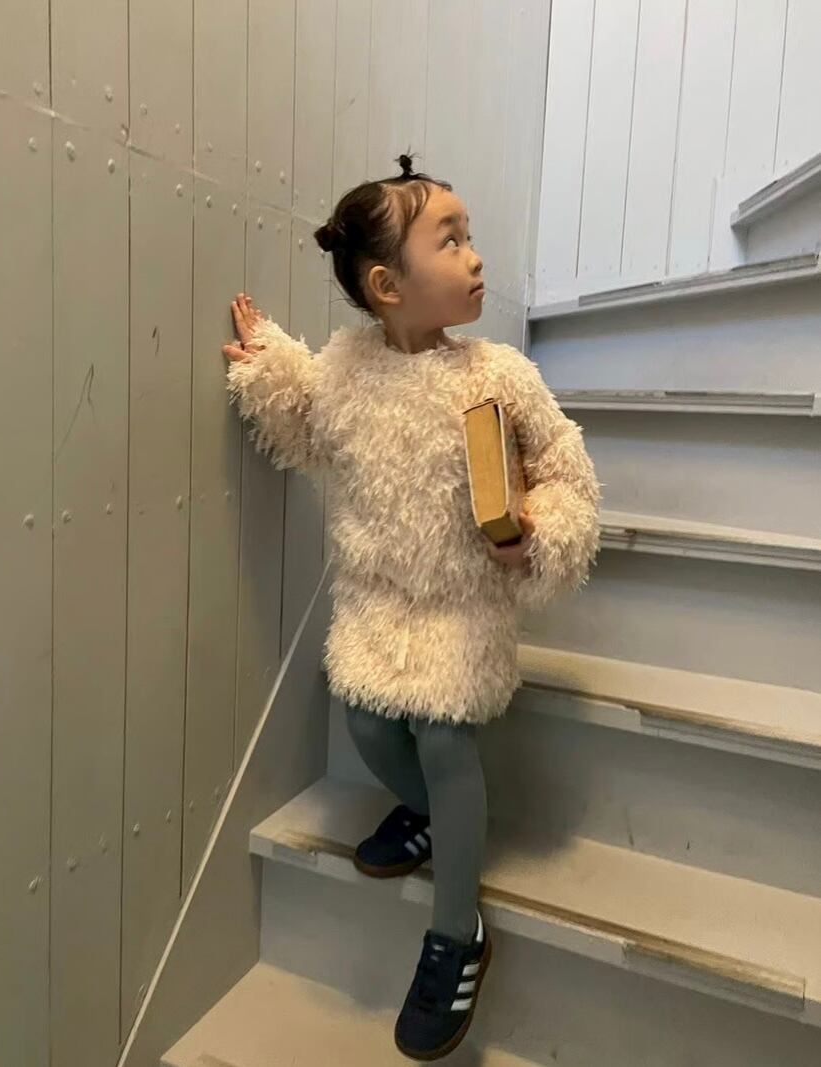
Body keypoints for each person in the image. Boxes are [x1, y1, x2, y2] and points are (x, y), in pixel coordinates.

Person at [222, 152, 600, 1061]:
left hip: (464, 605)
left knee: (441, 734)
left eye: (471, 237)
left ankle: (456, 932)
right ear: (388, 286)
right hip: (377, 601)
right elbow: (307, 418)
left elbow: (570, 477)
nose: (476, 256)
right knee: (366, 720)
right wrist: (267, 362)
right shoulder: (348, 370)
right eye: (451, 240)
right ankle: (432, 814)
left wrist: (536, 534)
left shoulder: (499, 374)